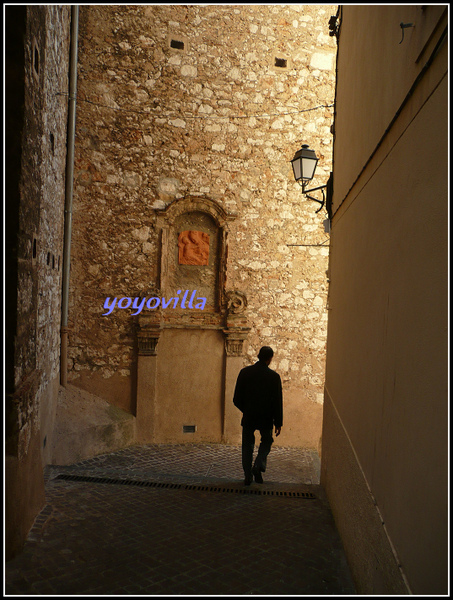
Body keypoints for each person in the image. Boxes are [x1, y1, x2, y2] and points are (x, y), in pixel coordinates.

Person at [233, 346, 283, 485]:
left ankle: (248, 475)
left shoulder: (244, 373)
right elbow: (277, 402)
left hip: (249, 416)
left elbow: (236, 398)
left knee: (247, 445)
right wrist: (278, 423)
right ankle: (258, 465)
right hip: (266, 418)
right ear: (270, 358)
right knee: (267, 441)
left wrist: (247, 409)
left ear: (258, 356)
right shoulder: (274, 377)